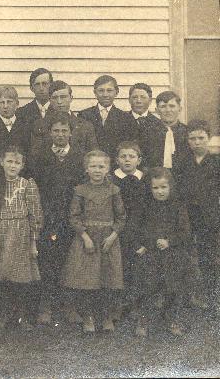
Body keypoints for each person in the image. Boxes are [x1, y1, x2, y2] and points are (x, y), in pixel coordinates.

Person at [29, 111, 85, 325]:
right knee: (47, 260)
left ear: (71, 133)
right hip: (48, 216)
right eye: (56, 131)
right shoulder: (40, 155)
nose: (60, 135)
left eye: (64, 131)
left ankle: (69, 305)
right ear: (49, 133)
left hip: (70, 217)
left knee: (70, 260)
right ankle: (46, 305)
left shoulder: (79, 156)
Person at [62, 150, 126, 333]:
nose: (97, 170)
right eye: (93, 166)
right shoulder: (80, 190)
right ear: (86, 169)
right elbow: (74, 217)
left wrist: (113, 236)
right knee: (87, 281)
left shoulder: (114, 190)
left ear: (108, 168)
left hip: (108, 240)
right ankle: (88, 316)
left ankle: (107, 316)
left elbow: (121, 217)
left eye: (101, 166)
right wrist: (85, 237)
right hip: (87, 240)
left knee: (108, 279)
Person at [0, 145, 43, 330]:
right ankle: (2, 315)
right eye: (9, 161)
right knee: (0, 276)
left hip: (21, 233)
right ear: (2, 162)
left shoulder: (27, 184)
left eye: (17, 162)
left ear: (22, 165)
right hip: (0, 232)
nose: (13, 166)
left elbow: (35, 214)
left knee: (21, 277)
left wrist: (34, 241)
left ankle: (22, 316)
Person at [133, 167, 192, 337]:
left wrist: (170, 241)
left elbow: (185, 231)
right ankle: (143, 318)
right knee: (148, 286)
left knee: (173, 286)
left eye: (164, 187)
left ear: (171, 187)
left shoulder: (178, 206)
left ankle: (172, 317)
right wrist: (148, 243)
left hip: (173, 253)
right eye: (155, 188)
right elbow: (137, 229)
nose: (160, 192)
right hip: (150, 252)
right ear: (149, 189)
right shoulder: (145, 207)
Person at [176, 119, 220, 312]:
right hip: (186, 215)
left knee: (208, 256)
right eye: (192, 138)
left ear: (208, 139)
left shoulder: (216, 162)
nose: (197, 142)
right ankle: (185, 296)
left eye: (201, 138)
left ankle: (209, 296)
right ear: (187, 140)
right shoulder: (182, 162)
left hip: (209, 217)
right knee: (184, 254)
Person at [109, 141, 150, 319]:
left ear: (138, 160)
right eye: (123, 156)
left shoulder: (145, 179)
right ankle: (117, 304)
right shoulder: (111, 179)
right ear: (117, 160)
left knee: (137, 267)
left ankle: (135, 304)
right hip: (117, 229)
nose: (127, 160)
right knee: (118, 267)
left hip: (138, 228)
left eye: (131, 156)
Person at [30, 80, 98, 158]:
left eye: (63, 97)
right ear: (49, 100)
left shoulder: (85, 126)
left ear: (71, 98)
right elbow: (36, 155)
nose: (59, 102)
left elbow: (93, 156)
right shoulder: (40, 125)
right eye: (55, 98)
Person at [78, 75, 136, 158]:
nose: (105, 94)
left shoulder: (126, 118)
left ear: (116, 92)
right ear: (95, 92)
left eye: (109, 90)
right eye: (101, 90)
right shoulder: (84, 115)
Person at [143, 91, 189, 172]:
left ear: (180, 109)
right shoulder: (148, 132)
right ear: (157, 110)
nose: (168, 110)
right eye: (163, 106)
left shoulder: (187, 132)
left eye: (172, 106)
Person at [124, 83, 164, 169]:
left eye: (143, 97)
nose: (138, 101)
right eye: (135, 97)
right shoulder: (121, 122)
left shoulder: (159, 124)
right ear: (129, 100)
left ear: (150, 100)